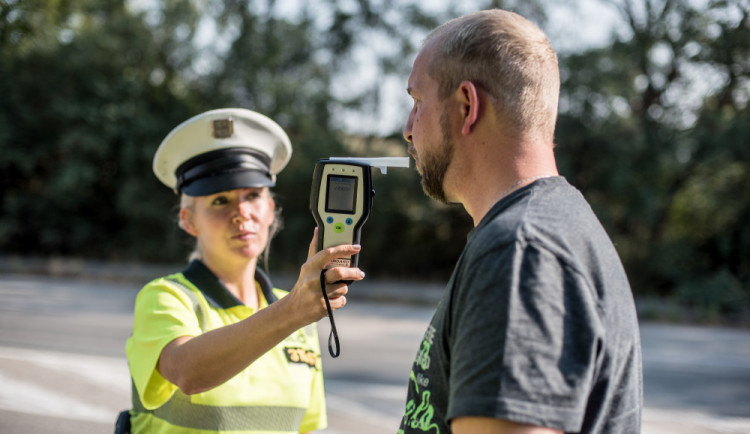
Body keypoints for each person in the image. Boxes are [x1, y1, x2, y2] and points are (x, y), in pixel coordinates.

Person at [398, 9, 642, 434]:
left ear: (467, 106)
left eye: (417, 103)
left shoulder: (520, 251)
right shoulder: (544, 229)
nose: (407, 129)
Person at [124, 108, 364, 433]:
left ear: (270, 209)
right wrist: (292, 311)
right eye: (220, 201)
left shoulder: (299, 311)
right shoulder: (166, 297)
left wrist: (294, 309)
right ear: (188, 220)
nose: (241, 213)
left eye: (252, 195)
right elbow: (188, 373)